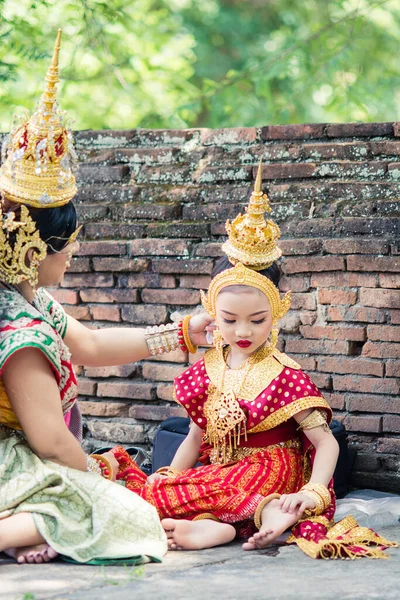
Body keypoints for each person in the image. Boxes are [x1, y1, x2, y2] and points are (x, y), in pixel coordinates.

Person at [112, 162, 397, 560]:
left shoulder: (284, 375)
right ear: (211, 310)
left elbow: (325, 441)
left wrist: (312, 491)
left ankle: (265, 511)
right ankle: (219, 525)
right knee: (157, 487)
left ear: (278, 311)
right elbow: (195, 438)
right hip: (223, 472)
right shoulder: (208, 368)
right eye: (229, 320)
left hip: (272, 469)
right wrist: (170, 477)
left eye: (257, 320)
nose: (242, 330)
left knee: (188, 490)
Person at [0, 30, 210, 565]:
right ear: (30, 247)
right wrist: (99, 487)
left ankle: (43, 527)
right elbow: (50, 442)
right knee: (131, 511)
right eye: (66, 244)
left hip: (25, 459)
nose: (72, 253)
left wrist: (183, 332)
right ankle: (28, 526)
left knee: (121, 481)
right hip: (12, 465)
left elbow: (90, 344)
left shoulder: (26, 301)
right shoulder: (18, 335)